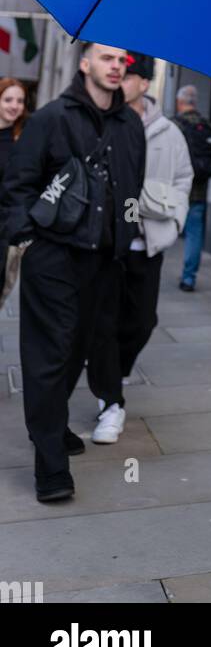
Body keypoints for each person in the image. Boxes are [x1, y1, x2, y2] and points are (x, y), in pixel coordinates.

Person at [0, 43, 145, 501]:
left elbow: (131, 190)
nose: (116, 65)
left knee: (78, 349)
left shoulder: (131, 125)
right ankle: (50, 467)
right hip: (54, 258)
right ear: (84, 64)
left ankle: (52, 424)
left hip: (104, 261)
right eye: (106, 58)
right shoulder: (50, 118)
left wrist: (127, 239)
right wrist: (30, 236)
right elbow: (17, 187)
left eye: (121, 60)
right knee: (48, 354)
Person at [87, 54, 193, 437]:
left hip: (146, 243)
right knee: (104, 323)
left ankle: (113, 369)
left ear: (144, 83)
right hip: (106, 243)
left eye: (129, 74)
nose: (120, 77)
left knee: (142, 321)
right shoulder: (101, 122)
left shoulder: (169, 132)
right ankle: (111, 402)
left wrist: (173, 216)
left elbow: (184, 179)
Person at [173, 84, 211, 292]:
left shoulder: (175, 125)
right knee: (194, 233)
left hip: (175, 190)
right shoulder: (206, 124)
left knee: (161, 228)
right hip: (199, 189)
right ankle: (189, 277)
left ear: (179, 102)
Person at [0, 78, 29, 304]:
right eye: (8, 99)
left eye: (20, 101)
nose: (14, 106)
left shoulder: (24, 138)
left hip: (6, 230)